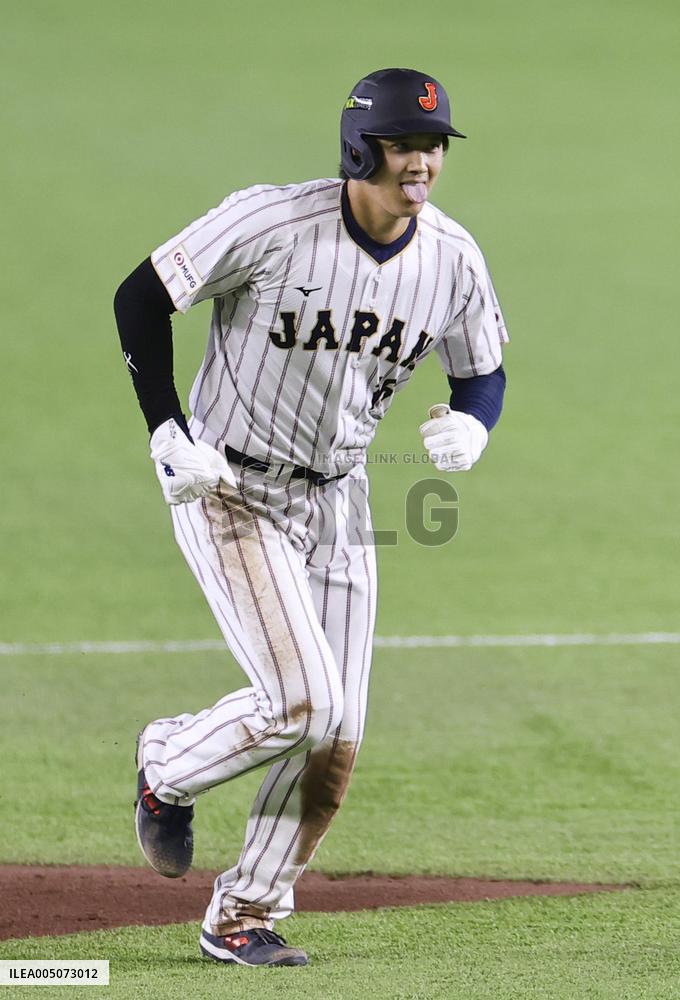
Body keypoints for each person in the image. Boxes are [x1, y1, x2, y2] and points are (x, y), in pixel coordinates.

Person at [113, 67, 508, 968]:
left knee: (337, 741)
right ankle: (166, 764)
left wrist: (474, 429)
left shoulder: (452, 257)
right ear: (361, 148)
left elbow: (480, 368)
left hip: (340, 497)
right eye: (408, 143)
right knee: (303, 702)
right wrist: (167, 430)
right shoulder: (270, 222)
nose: (424, 163)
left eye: (436, 146)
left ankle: (242, 912)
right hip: (230, 489)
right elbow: (140, 296)